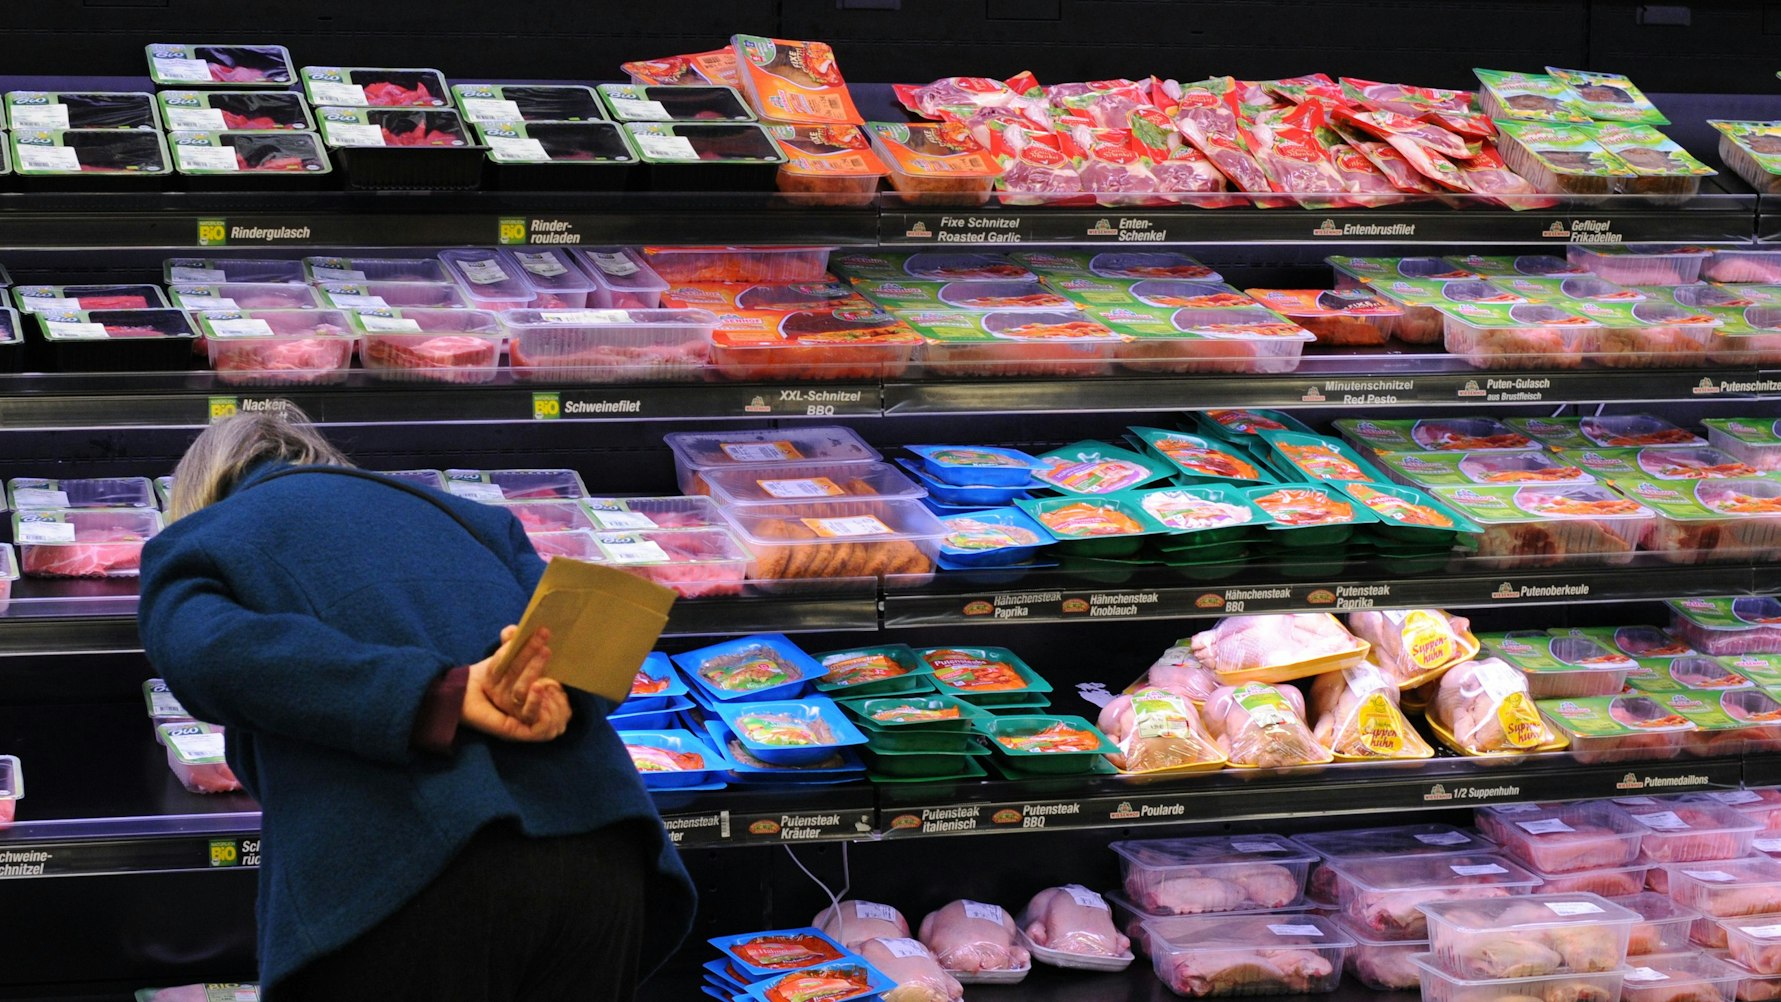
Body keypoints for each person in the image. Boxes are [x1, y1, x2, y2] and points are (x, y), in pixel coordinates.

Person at [137, 409, 694, 1001]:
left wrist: (437, 696)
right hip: (603, 855)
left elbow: (208, 655)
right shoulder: (474, 519)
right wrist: (556, 699)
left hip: (406, 874)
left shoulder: (202, 538)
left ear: (202, 490)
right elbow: (582, 644)